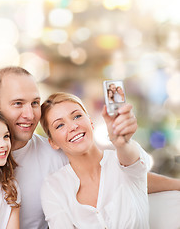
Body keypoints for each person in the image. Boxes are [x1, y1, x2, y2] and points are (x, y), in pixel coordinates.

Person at [0, 66, 180, 229]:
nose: (29, 114)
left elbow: (121, 175)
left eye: (35, 102)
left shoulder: (54, 154)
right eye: (17, 103)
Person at [40, 92, 150, 228]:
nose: (73, 126)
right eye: (60, 125)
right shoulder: (54, 186)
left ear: (90, 121)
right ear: (53, 142)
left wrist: (122, 143)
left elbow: (131, 159)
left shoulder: (123, 160)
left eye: (77, 116)